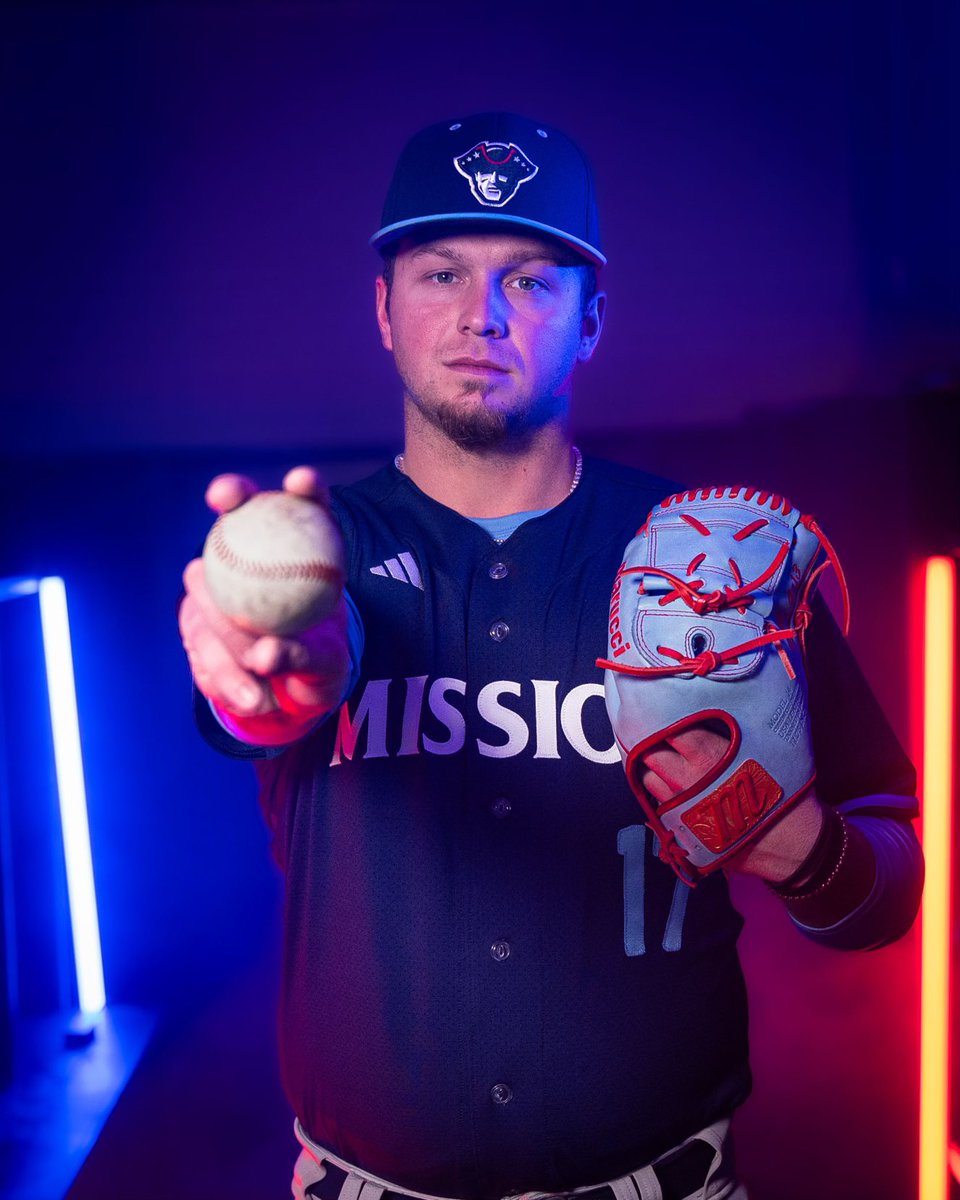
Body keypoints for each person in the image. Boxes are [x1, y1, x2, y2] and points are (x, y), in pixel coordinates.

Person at [178, 113, 924, 1200]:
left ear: (591, 322)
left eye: (530, 281)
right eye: (440, 273)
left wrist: (807, 854)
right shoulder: (315, 569)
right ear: (383, 309)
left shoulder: (718, 559)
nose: (480, 315)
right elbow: (247, 704)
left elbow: (892, 882)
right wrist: (262, 690)